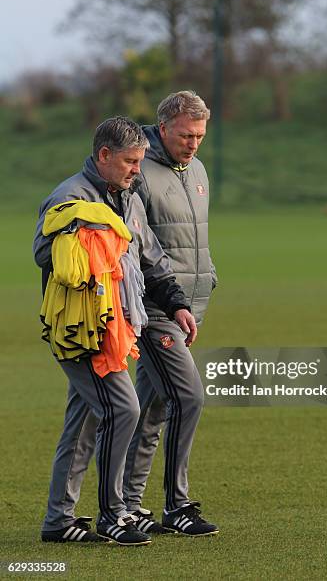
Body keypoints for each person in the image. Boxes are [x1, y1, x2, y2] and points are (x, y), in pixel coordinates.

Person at [33, 116, 196, 546]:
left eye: (140, 161)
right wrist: (85, 238)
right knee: (123, 408)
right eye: (129, 161)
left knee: (85, 421)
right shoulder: (70, 197)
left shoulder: (127, 197)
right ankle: (113, 514)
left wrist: (177, 304)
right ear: (104, 155)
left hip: (114, 328)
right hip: (80, 329)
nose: (136, 170)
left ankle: (58, 520)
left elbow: (151, 259)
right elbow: (42, 252)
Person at [122, 90, 219, 536]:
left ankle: (129, 503)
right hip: (157, 307)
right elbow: (137, 244)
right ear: (163, 128)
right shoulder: (139, 170)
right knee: (188, 397)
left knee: (153, 407)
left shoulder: (196, 168)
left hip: (190, 306)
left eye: (200, 134)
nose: (194, 142)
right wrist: (170, 299)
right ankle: (177, 506)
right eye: (186, 134)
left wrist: (207, 276)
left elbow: (195, 238)